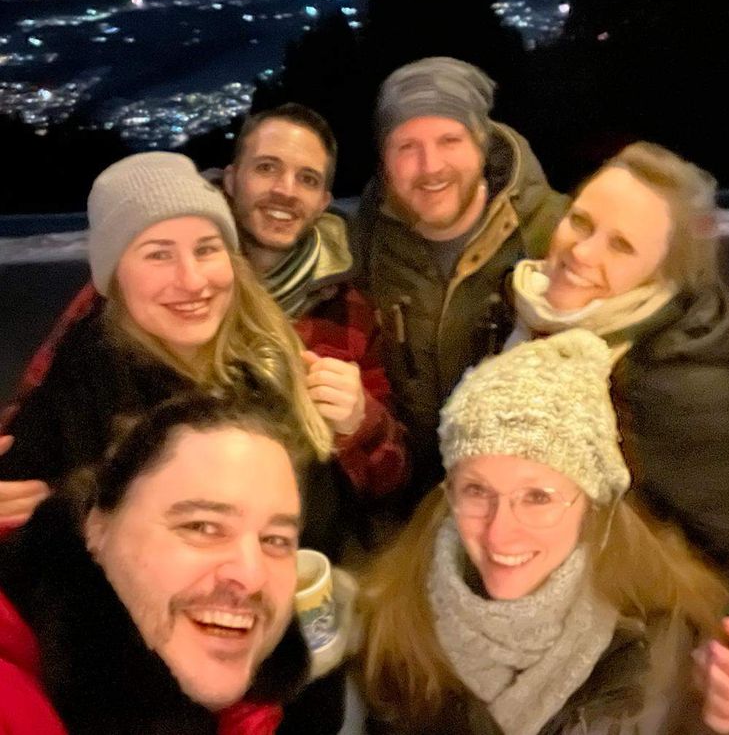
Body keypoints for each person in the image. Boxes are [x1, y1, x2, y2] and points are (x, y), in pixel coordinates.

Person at [506, 141, 729, 724]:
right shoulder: (533, 310)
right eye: (581, 222)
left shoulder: (668, 375)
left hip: (610, 669)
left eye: (621, 246)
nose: (581, 252)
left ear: (661, 273)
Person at [3, 104, 408, 503]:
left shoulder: (348, 310)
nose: (285, 190)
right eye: (267, 168)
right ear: (232, 179)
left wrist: (361, 422)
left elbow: (391, 480)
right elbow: (39, 416)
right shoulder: (116, 313)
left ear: (322, 201)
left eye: (307, 178)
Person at [358, 330, 729, 735]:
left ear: (592, 504)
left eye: (537, 497)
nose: (499, 534)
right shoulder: (393, 624)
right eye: (477, 491)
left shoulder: (666, 644)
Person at [0, 152, 353, 556]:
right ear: (115, 279)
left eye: (206, 249)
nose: (192, 280)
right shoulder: (80, 386)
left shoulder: (278, 362)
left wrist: (356, 426)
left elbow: (330, 529)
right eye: (159, 254)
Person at [0, 390, 351, 734]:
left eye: (275, 540)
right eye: (202, 527)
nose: (252, 574)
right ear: (97, 527)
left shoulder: (256, 701)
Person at [355, 56, 568, 498]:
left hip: (528, 499)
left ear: (482, 145)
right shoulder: (366, 241)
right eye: (406, 146)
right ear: (384, 160)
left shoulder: (558, 236)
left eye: (449, 140)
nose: (430, 166)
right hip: (409, 502)